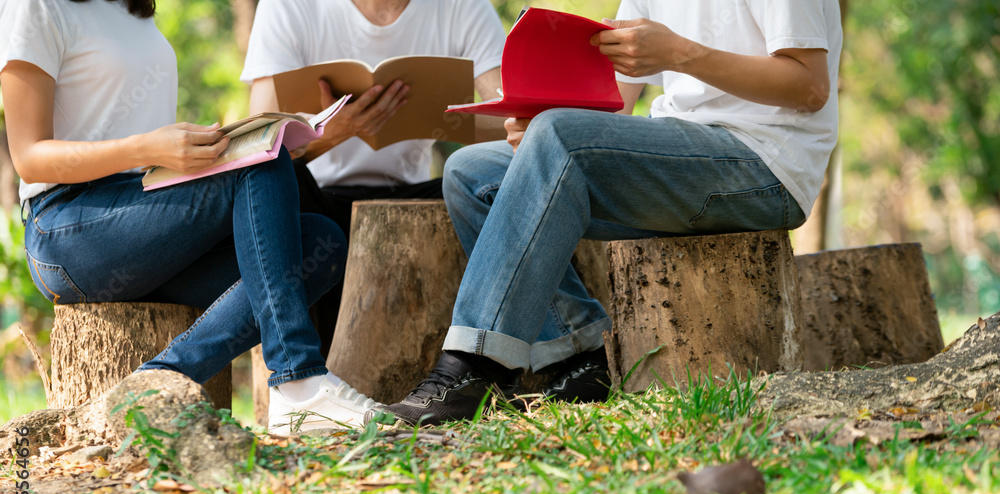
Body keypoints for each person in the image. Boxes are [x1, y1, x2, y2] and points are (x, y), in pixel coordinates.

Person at [385, 0, 843, 425]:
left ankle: (475, 367)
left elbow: (810, 86)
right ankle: (583, 356)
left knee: (556, 135)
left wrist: (680, 54)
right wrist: (536, 127)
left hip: (763, 167)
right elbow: (612, 102)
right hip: (677, 154)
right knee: (472, 171)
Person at [0, 0, 381, 435]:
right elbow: (29, 157)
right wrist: (146, 147)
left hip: (143, 214)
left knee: (319, 241)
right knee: (259, 165)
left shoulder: (131, 9)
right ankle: (299, 382)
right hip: (67, 228)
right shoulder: (37, 6)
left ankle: (152, 386)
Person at [240, 0, 508, 355]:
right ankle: (299, 365)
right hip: (316, 194)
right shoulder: (289, 6)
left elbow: (511, 116)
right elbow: (256, 143)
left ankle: (489, 354)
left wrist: (446, 118)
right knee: (272, 178)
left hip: (414, 195)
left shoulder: (463, 6)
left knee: (492, 173)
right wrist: (334, 131)